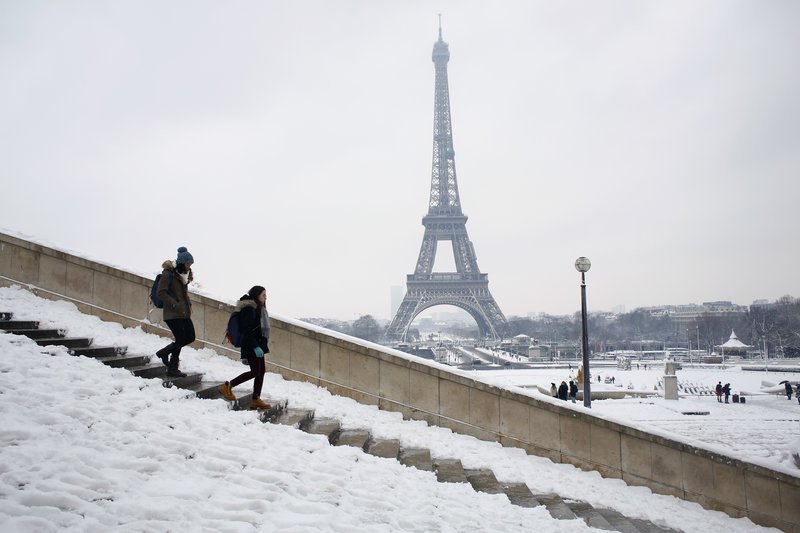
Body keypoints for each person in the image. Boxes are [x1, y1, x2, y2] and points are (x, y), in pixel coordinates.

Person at [219, 286, 272, 410]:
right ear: (256, 295)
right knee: (255, 371)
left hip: (258, 344)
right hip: (251, 344)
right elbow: (246, 330)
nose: (265, 297)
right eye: (263, 295)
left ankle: (256, 399)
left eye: (265, 295)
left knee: (261, 371)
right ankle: (228, 386)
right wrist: (255, 347)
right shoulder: (249, 309)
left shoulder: (259, 309)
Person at [154, 246, 195, 378]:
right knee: (181, 338)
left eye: (190, 264)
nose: (189, 266)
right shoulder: (168, 274)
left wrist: (187, 304)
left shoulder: (184, 275)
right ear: (182, 263)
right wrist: (174, 303)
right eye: (188, 264)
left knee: (190, 337)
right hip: (172, 313)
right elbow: (161, 292)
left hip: (184, 312)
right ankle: (172, 368)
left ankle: (164, 353)